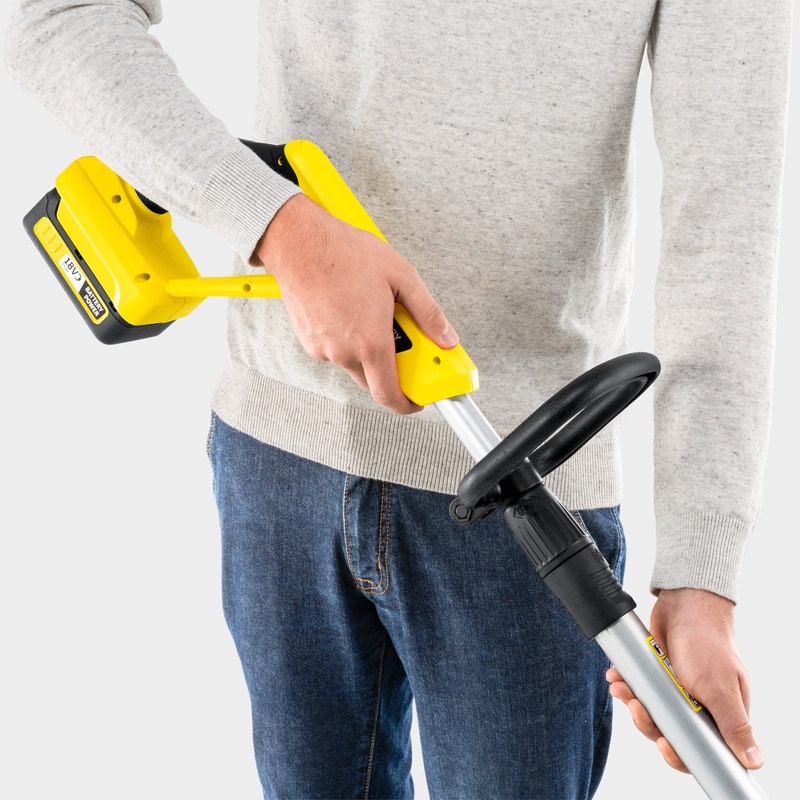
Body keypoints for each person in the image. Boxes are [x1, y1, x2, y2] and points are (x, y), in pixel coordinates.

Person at [4, 1, 791, 798]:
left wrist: (701, 578)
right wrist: (279, 227)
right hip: (280, 457)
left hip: (529, 502)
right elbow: (60, 16)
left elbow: (724, 229)